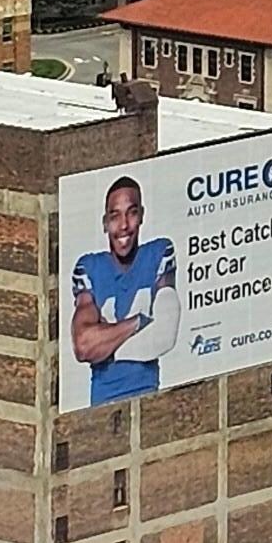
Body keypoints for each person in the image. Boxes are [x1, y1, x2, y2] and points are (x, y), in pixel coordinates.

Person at [68, 174, 181, 405]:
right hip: (102, 403)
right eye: (115, 216)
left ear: (141, 216)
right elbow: (83, 346)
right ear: (104, 223)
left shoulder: (159, 252)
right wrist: (137, 322)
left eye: (131, 212)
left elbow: (165, 334)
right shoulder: (89, 268)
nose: (124, 225)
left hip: (147, 398)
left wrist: (107, 345)